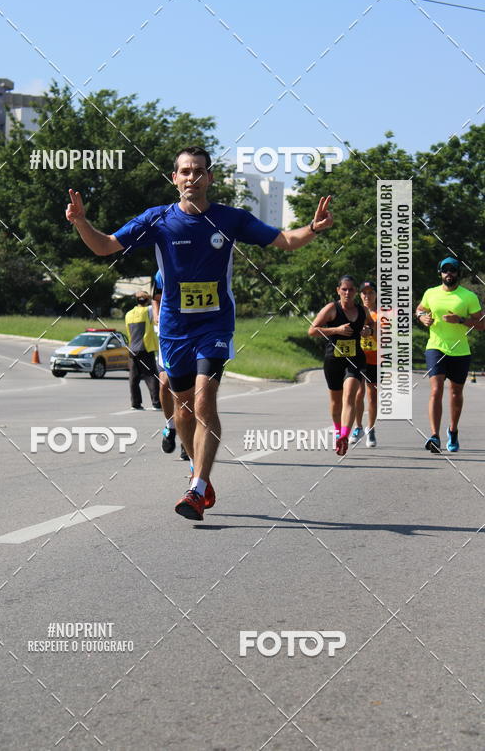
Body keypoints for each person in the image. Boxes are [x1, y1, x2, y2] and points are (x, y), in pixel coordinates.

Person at [65, 145, 333, 520]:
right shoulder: (157, 220)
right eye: (185, 171)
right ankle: (197, 474)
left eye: (198, 171)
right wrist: (81, 222)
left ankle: (198, 486)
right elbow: (105, 246)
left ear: (209, 177)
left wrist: (313, 229)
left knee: (205, 399)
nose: (191, 177)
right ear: (175, 178)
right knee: (185, 409)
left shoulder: (230, 218)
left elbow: (285, 240)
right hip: (175, 329)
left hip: (215, 324)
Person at [415, 256, 482, 453]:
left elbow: (482, 324)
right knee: (436, 390)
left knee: (456, 393)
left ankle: (453, 430)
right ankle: (435, 436)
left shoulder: (468, 297)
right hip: (436, 347)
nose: (449, 273)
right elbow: (419, 309)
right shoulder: (431, 293)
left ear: (458, 273)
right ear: (440, 273)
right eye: (445, 270)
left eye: (452, 270)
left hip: (460, 350)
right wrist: (422, 317)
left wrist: (461, 320)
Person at [308, 275, 372, 456]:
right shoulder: (331, 308)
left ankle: (344, 435)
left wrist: (369, 331)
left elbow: (371, 326)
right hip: (333, 360)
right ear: (338, 290)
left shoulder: (362, 310)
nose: (347, 292)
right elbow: (312, 330)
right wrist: (336, 330)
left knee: (349, 397)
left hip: (355, 360)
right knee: (336, 402)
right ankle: (338, 431)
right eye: (344, 289)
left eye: (351, 289)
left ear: (355, 292)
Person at [152, 269, 187, 457]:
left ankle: (187, 442)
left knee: (192, 392)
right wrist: (157, 316)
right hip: (170, 334)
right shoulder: (163, 270)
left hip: (197, 333)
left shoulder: (204, 260)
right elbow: (156, 297)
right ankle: (170, 426)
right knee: (165, 384)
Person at [352, 280, 379, 448]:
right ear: (360, 295)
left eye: (370, 293)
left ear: (376, 295)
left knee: (372, 396)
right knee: (358, 393)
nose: (367, 296)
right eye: (364, 293)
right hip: (358, 357)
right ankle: (358, 427)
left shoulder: (383, 313)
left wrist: (371, 331)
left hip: (375, 358)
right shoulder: (355, 312)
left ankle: (371, 429)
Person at [124, 291, 162, 410]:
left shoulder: (128, 314)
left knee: (134, 378)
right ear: (146, 300)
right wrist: (151, 297)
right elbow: (157, 303)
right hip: (145, 348)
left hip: (132, 349)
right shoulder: (148, 311)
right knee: (152, 376)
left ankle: (135, 404)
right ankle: (156, 403)